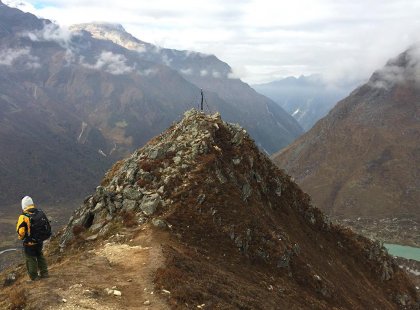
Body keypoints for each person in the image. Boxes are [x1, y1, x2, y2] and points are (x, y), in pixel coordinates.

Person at [16, 196, 49, 281]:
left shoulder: (23, 216)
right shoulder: (40, 212)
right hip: (40, 241)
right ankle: (44, 273)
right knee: (40, 255)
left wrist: (21, 238)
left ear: (23, 205)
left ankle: (34, 277)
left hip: (29, 243)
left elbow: (21, 232)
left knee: (30, 258)